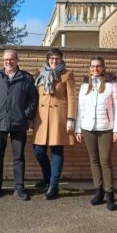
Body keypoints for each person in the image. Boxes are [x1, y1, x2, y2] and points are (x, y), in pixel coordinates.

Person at [0, 49, 38, 200]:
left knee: (18, 157)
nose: (8, 62)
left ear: (17, 60)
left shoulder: (26, 78)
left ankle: (19, 188)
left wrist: (26, 114)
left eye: (11, 59)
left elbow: (33, 98)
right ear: (3, 61)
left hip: (18, 123)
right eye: (5, 59)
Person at [75, 56, 117, 210]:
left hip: (106, 128)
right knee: (94, 160)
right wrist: (78, 128)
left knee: (105, 161)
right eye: (92, 66)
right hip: (87, 128)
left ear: (103, 68)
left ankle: (110, 195)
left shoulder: (112, 84)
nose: (95, 69)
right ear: (89, 68)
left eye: (98, 66)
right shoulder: (85, 85)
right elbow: (80, 108)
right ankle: (99, 192)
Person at [32, 48, 76, 200]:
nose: (54, 61)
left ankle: (54, 186)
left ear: (61, 59)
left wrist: (71, 119)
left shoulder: (67, 74)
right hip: (41, 117)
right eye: (51, 58)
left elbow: (72, 98)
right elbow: (35, 96)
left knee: (57, 151)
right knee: (38, 151)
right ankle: (48, 177)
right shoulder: (39, 73)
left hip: (58, 117)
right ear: (47, 59)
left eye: (57, 58)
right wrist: (31, 117)